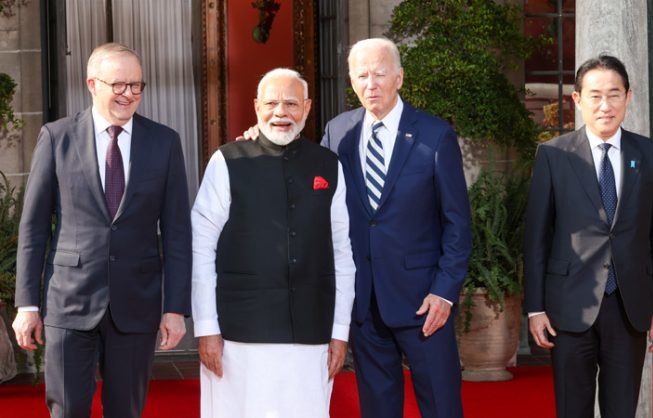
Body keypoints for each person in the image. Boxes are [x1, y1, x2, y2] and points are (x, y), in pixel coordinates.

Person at [12, 42, 192, 418]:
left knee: (125, 410)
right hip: (69, 301)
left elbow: (177, 232)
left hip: (137, 303)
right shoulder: (56, 137)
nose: (129, 94)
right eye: (119, 85)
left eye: (137, 86)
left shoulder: (164, 142)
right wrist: (27, 305)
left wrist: (175, 307)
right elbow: (33, 228)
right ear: (92, 84)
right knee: (68, 409)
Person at [191, 68, 355, 418]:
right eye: (271, 103)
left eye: (291, 103)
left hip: (312, 332)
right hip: (238, 336)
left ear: (308, 108)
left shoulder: (329, 165)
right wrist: (207, 328)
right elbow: (201, 248)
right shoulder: (227, 161)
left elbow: (343, 253)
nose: (281, 112)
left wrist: (340, 332)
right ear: (256, 106)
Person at [321, 38, 472, 418]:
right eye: (361, 75)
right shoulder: (338, 132)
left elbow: (458, 224)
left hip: (425, 304)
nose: (370, 83)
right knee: (378, 409)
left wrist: (444, 293)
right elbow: (314, 195)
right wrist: (260, 143)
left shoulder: (435, 136)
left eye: (380, 73)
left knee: (441, 406)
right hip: (364, 302)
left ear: (399, 77)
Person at [524, 55, 653, 418]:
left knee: (621, 409)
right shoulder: (553, 155)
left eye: (614, 94)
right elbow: (536, 238)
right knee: (571, 409)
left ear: (629, 96)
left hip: (629, 306)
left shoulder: (651, 155)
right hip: (568, 307)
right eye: (594, 96)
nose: (605, 106)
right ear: (577, 100)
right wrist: (535, 307)